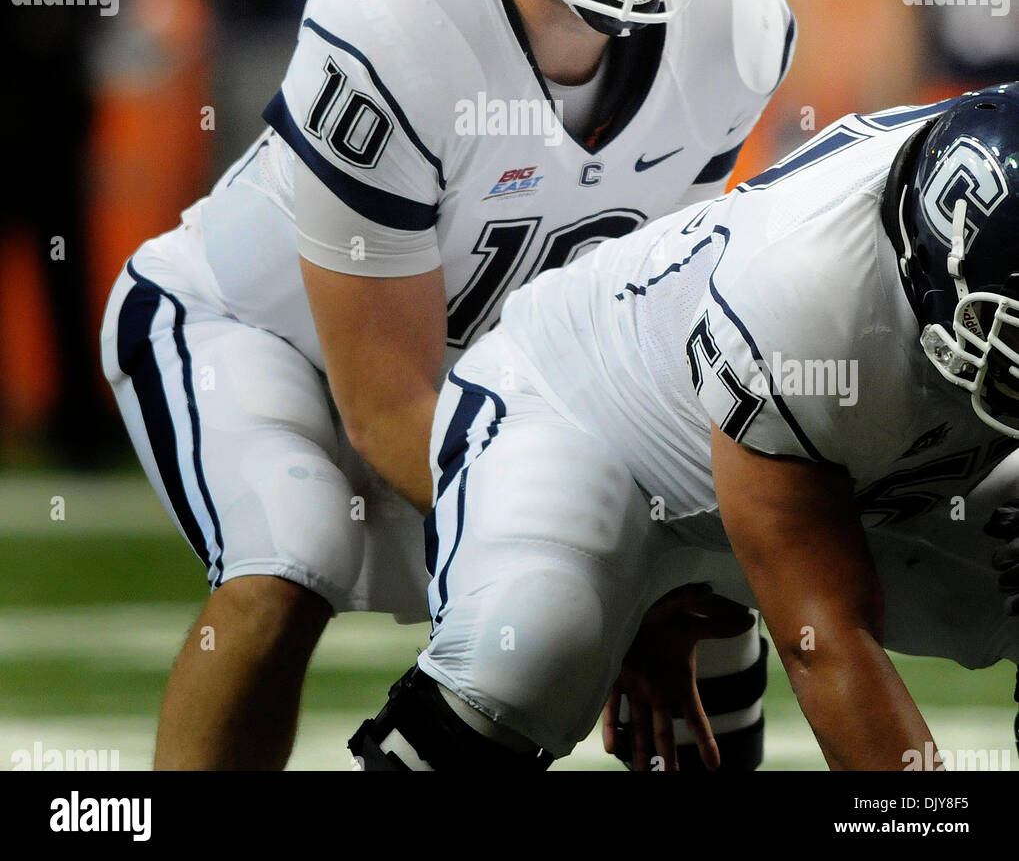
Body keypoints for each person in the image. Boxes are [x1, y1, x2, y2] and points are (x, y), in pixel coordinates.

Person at [100, 0, 795, 769]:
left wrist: (655, 567)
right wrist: (585, 561)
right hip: (248, 328)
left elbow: (634, 323)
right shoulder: (391, 25)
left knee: (701, 583)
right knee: (289, 561)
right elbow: (385, 408)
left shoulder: (734, 19)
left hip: (470, 367)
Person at [353, 83, 1019, 771]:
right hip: (581, 422)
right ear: (941, 276)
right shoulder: (804, 298)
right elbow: (828, 636)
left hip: (832, 468)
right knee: (527, 649)